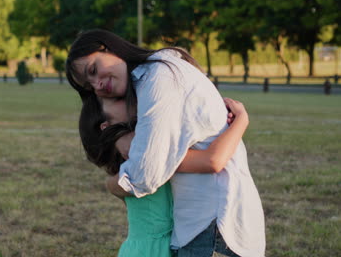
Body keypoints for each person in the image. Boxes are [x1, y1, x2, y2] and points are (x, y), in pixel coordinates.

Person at [66, 29, 265, 257]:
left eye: (93, 70)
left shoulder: (158, 76)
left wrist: (116, 182)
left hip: (212, 224)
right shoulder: (159, 72)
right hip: (205, 225)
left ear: (108, 48)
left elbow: (146, 172)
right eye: (90, 86)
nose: (97, 85)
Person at [79, 94, 252, 257]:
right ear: (107, 127)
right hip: (151, 251)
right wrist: (241, 121)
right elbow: (212, 159)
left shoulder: (126, 174)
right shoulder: (148, 164)